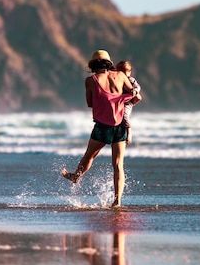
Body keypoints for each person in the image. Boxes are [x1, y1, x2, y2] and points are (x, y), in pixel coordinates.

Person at [61, 50, 142, 207]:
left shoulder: (90, 80)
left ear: (93, 64)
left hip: (102, 125)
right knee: (118, 165)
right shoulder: (121, 76)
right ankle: (117, 201)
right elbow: (135, 96)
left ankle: (76, 176)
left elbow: (90, 103)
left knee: (90, 155)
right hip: (120, 125)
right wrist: (122, 103)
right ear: (109, 63)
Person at [115, 61, 141, 145]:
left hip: (128, 102)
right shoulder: (117, 79)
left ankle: (129, 132)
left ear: (129, 72)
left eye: (125, 73)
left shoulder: (131, 80)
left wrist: (135, 91)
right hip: (120, 101)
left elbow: (137, 87)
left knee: (125, 117)